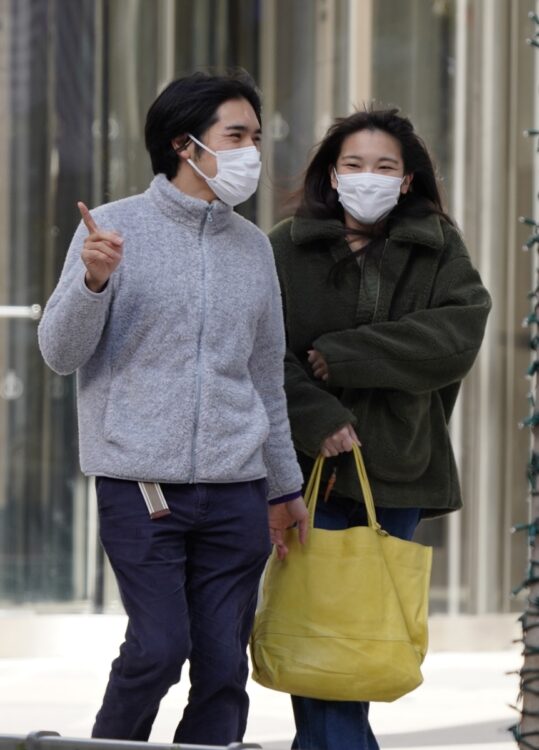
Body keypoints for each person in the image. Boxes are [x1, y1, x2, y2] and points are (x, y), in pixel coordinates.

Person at [38, 71, 308, 746]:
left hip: (236, 489)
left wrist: (283, 487)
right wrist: (93, 283)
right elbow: (59, 353)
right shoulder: (112, 228)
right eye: (236, 135)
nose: (251, 149)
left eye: (254, 134)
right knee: (158, 649)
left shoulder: (252, 249)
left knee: (222, 667)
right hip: (141, 485)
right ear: (185, 145)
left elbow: (264, 375)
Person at [268, 108, 491, 750]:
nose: (369, 177)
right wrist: (319, 417)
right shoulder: (286, 245)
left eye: (385, 166)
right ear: (332, 176)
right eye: (355, 164)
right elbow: (262, 351)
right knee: (322, 637)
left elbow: (459, 332)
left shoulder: (439, 246)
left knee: (357, 642)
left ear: (408, 180)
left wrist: (344, 355)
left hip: (398, 469)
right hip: (308, 472)